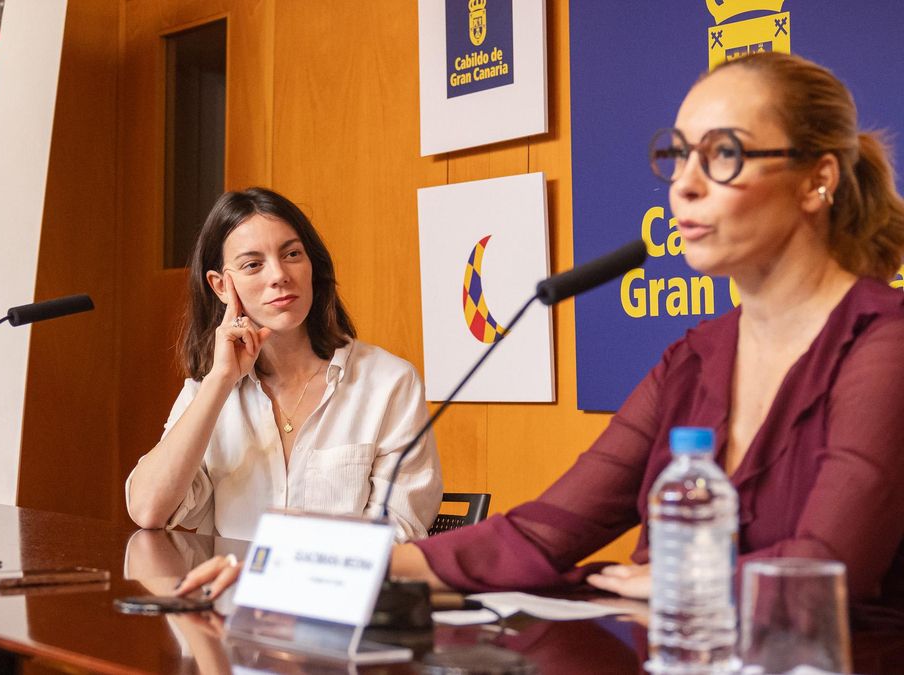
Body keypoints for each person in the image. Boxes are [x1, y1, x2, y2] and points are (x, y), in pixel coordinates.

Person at [177, 52, 904, 616]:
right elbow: (536, 535)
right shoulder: (695, 360)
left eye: (722, 156)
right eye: (677, 156)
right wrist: (292, 562)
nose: (683, 184)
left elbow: (827, 570)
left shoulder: (884, 345)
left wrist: (684, 581)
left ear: (818, 181)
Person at [126, 187, 442, 542]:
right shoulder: (209, 390)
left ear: (311, 266)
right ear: (219, 286)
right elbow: (149, 510)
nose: (279, 274)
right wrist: (220, 382)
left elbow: (399, 529)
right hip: (229, 596)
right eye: (253, 264)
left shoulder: (389, 382)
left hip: (340, 595)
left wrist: (286, 576)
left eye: (292, 254)